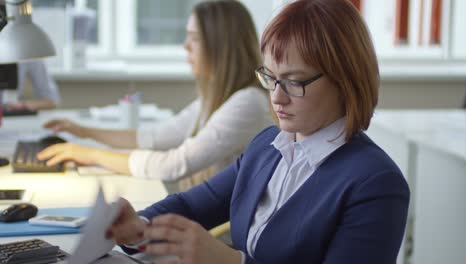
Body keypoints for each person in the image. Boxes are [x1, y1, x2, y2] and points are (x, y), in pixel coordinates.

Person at [105, 0, 410, 263]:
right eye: (271, 77)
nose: (276, 96)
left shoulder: (376, 184)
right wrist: (139, 226)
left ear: (345, 80)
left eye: (294, 81)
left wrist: (232, 262)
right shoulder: (268, 146)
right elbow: (190, 205)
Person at [37, 0, 272, 191]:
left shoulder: (247, 103)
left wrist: (90, 154)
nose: (185, 46)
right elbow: (155, 137)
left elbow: (174, 165)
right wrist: (82, 131)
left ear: (222, 46)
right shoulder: (218, 98)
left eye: (195, 38)